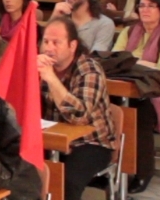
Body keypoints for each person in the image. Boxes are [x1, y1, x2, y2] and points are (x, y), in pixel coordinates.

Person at [37, 18, 116, 200]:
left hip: (91, 143)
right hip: (52, 138)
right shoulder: (41, 67)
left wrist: (51, 78)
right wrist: (31, 76)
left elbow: (79, 116)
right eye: (46, 42)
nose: (48, 48)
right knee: (19, 168)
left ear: (72, 46)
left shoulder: (89, 70)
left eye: (56, 43)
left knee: (67, 181)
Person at [112, 0, 160, 189]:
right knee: (108, 107)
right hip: (126, 86)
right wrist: (142, 64)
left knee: (140, 111)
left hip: (159, 92)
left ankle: (144, 171)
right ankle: (113, 166)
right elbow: (116, 59)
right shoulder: (128, 31)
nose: (145, 10)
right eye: (141, 5)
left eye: (151, 6)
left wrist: (132, 62)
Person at [50, 0, 115, 53]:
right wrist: (54, 19)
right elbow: (44, 50)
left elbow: (96, 57)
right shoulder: (61, 21)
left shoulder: (104, 24)